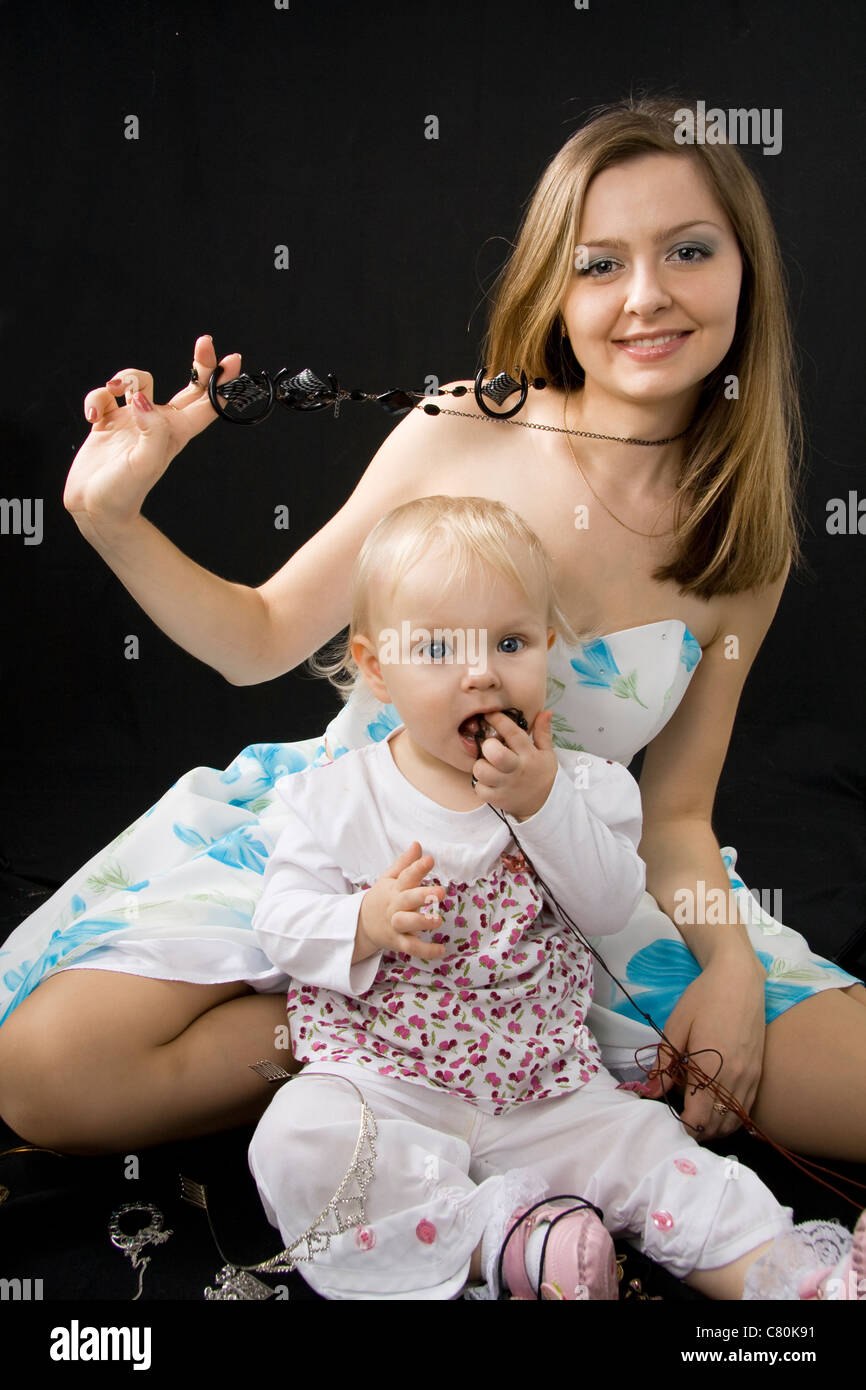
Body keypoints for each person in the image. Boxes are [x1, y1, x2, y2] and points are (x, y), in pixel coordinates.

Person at [0, 94, 864, 1161]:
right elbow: (260, 636)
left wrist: (728, 976)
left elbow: (675, 817)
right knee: (48, 1074)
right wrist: (111, 518)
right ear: (554, 284)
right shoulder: (461, 431)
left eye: (687, 251)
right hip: (369, 850)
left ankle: (532, 1051)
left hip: (571, 876)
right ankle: (407, 1041)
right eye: (599, 264)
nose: (646, 297)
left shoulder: (743, 543)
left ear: (745, 272)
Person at [246, 494, 863, 1301]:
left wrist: (544, 806)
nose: (482, 672)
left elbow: (608, 906)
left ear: (546, 646)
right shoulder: (333, 799)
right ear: (375, 667)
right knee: (298, 1142)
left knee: (662, 1158)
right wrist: (359, 923)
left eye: (511, 642)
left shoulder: (586, 788)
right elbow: (280, 924)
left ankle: (795, 1282)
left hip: (548, 1089)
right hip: (387, 1084)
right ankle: (505, 1247)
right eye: (438, 648)